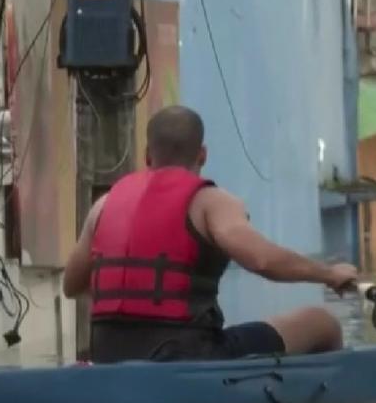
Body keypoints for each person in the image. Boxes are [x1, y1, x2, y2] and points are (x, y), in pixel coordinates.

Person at [62, 105, 359, 363]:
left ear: (147, 155)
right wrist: (330, 275)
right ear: (202, 154)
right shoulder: (210, 202)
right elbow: (262, 260)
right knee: (323, 324)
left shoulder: (104, 205)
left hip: (107, 354)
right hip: (186, 353)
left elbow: (71, 285)